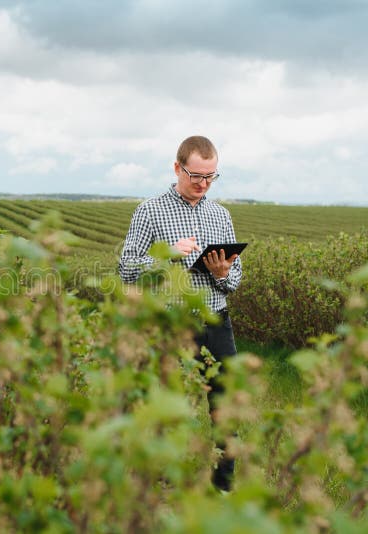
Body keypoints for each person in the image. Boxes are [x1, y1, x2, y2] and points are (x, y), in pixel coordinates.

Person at [117, 135, 242, 492]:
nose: (203, 184)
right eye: (195, 176)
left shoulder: (221, 215)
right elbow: (126, 270)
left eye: (211, 177)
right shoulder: (149, 211)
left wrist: (222, 273)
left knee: (227, 401)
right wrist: (168, 254)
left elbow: (235, 279)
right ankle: (162, 485)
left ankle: (223, 485)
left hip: (217, 322)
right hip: (171, 325)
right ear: (177, 168)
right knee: (170, 407)